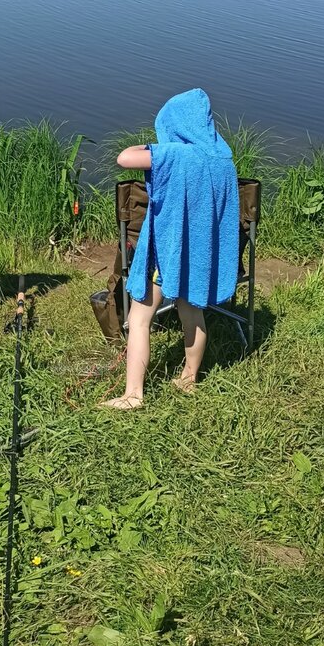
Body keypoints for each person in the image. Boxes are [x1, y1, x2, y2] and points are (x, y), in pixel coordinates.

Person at [101, 88, 239, 408]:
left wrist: (160, 145)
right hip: (199, 255)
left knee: (139, 317)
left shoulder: (176, 154)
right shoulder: (222, 157)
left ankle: (133, 395)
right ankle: (188, 379)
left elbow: (124, 157)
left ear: (176, 125)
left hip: (171, 254)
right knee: (192, 312)